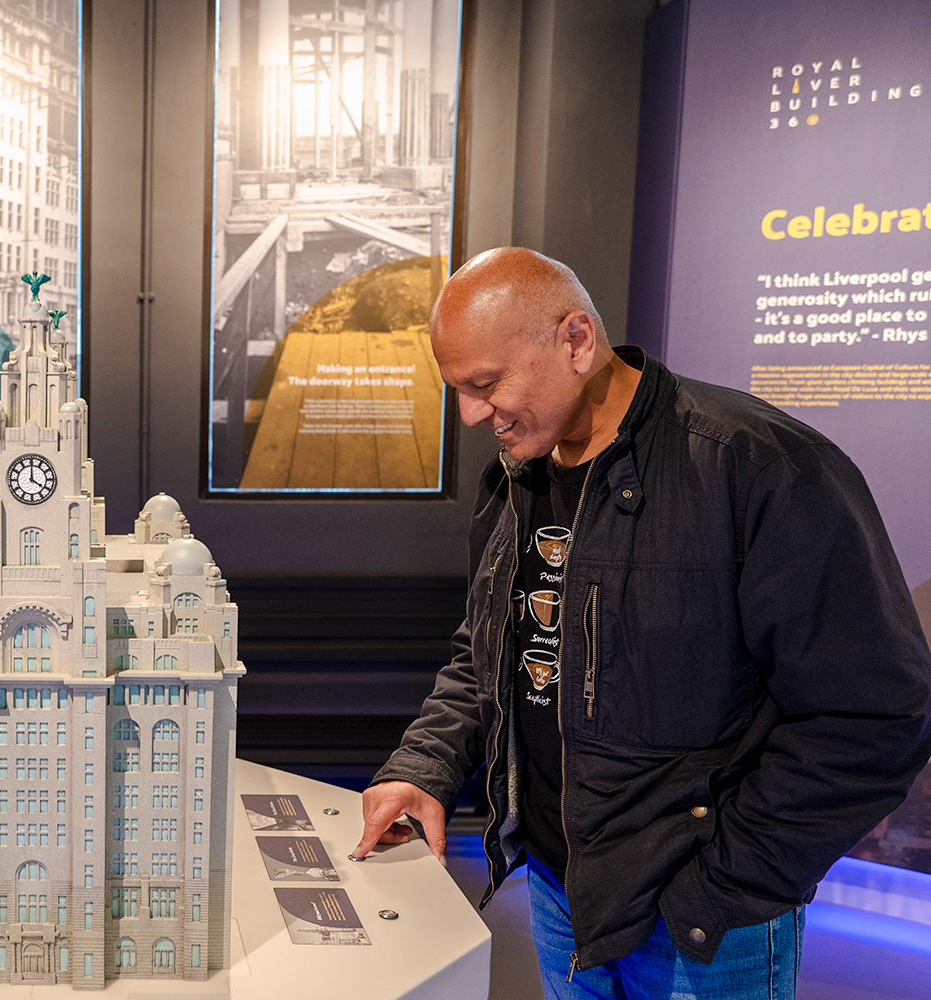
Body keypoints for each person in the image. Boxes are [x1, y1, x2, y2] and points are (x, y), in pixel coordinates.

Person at [353, 247, 931, 999]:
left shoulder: (760, 468)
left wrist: (726, 879)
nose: (469, 415)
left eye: (486, 385)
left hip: (706, 926)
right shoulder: (517, 477)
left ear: (576, 340)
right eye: (457, 390)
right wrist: (421, 767)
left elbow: (875, 712)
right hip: (562, 897)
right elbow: (490, 654)